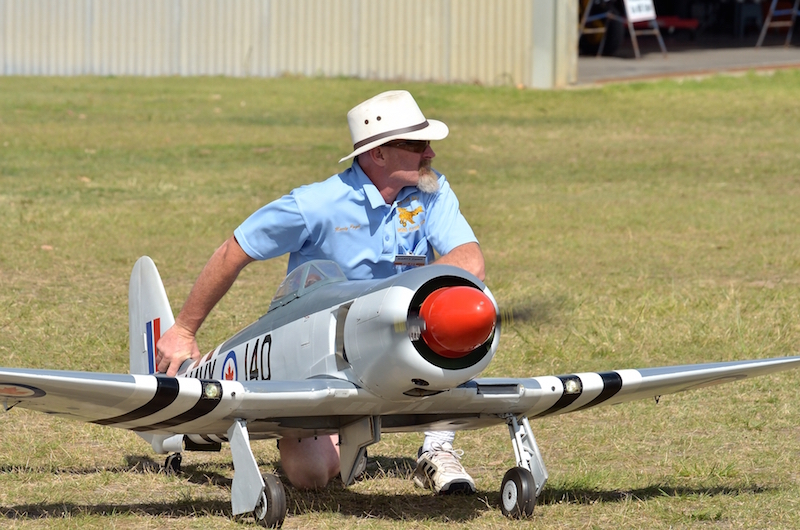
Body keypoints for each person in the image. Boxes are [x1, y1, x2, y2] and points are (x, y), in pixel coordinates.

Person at [156, 90, 484, 494]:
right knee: (312, 474)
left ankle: (436, 448)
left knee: (457, 311)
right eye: (418, 145)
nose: (430, 153)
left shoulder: (432, 190)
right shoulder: (315, 204)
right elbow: (233, 251)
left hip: (405, 337)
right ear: (378, 154)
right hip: (321, 355)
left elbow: (471, 262)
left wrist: (402, 304)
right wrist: (183, 330)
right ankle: (344, 427)